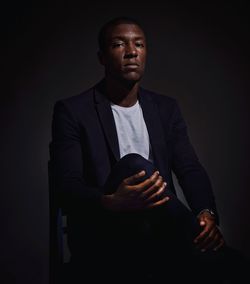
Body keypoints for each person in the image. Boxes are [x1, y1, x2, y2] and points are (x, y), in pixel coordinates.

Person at [50, 17, 249, 283]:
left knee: (142, 171)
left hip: (160, 236)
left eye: (139, 45)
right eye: (119, 44)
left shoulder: (166, 109)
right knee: (135, 164)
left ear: (145, 53)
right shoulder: (73, 111)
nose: (131, 52)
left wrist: (206, 214)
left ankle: (209, 252)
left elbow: (189, 169)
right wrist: (111, 202)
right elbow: (66, 186)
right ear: (102, 57)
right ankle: (225, 261)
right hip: (104, 239)